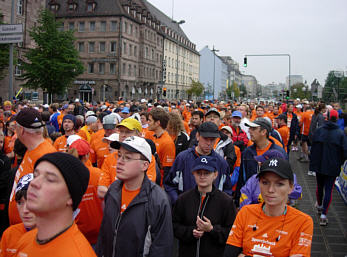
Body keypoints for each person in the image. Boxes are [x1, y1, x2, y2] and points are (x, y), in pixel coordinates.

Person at [96, 136, 173, 256]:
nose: (120, 161)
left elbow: (162, 247)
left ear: (144, 165)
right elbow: (104, 232)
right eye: (119, 155)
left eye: (127, 157)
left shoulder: (158, 200)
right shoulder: (113, 190)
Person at [224, 157, 313, 257]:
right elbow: (229, 253)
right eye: (265, 182)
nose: (270, 189)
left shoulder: (303, 222)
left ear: (291, 187)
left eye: (279, 184)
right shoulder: (245, 213)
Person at [15, 152, 96, 256]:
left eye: (50, 179)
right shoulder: (25, 240)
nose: (34, 183)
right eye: (36, 175)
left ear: (70, 196)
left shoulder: (76, 253)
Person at [173, 156, 236, 257]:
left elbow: (233, 233)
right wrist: (191, 232)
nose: (202, 176)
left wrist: (212, 229)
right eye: (199, 173)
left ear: (215, 175)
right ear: (193, 174)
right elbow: (174, 226)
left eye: (206, 173)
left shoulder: (226, 202)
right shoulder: (183, 199)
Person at [164, 122, 234, 205]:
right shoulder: (183, 158)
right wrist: (178, 203)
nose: (208, 143)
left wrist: (218, 210)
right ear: (197, 136)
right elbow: (170, 185)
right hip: (185, 211)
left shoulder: (221, 163)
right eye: (205, 138)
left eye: (212, 139)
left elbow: (227, 190)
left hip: (212, 213)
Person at [8, 108, 56, 225]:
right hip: (20, 227)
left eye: (16, 127)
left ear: (21, 130)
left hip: (31, 229)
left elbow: (49, 200)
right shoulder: (32, 149)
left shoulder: (45, 156)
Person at [310, 109, 347, 226]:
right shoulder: (340, 133)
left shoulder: (319, 130)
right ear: (337, 119)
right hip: (333, 166)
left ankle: (319, 206)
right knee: (329, 189)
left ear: (327, 118)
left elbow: (312, 145)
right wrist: (339, 162)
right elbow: (345, 152)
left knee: (319, 186)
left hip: (319, 164)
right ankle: (324, 215)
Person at [67, 139, 103, 245]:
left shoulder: (65, 175)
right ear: (87, 156)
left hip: (75, 233)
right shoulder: (98, 174)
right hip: (98, 231)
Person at [1, 174, 36, 257]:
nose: (25, 210)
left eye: (31, 202)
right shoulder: (10, 234)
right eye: (20, 203)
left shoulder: (59, 238)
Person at [145, 108, 176, 185]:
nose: (147, 122)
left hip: (159, 184)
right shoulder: (153, 136)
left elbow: (167, 170)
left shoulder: (167, 142)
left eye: (150, 120)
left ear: (157, 123)